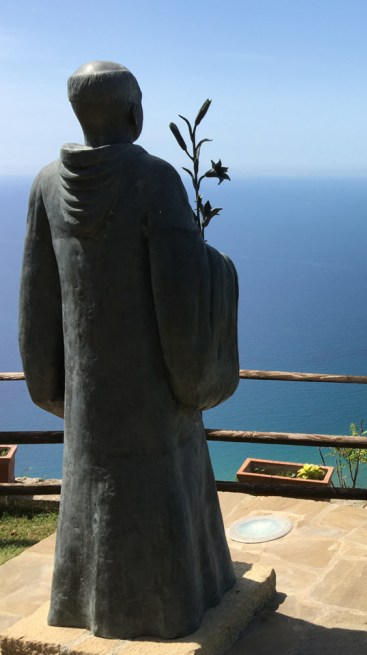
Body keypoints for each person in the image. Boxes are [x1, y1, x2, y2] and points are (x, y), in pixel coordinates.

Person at [19, 61, 238, 639]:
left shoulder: (45, 184)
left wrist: (49, 383)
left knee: (92, 490)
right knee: (163, 487)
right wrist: (220, 270)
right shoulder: (156, 180)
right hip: (152, 393)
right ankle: (170, 605)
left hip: (89, 398)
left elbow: (34, 296)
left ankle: (81, 603)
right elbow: (182, 292)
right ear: (133, 113)